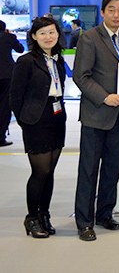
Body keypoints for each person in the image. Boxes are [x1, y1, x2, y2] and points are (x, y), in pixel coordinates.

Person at [73, 0, 119, 242]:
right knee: (88, 170)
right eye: (111, 10)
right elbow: (81, 76)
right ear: (102, 12)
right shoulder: (89, 38)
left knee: (112, 169)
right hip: (96, 114)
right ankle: (84, 221)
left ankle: (105, 214)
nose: (116, 14)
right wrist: (105, 97)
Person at [9, 17, 66, 238]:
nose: (48, 37)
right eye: (42, 33)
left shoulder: (58, 60)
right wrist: (25, 121)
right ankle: (31, 217)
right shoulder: (26, 61)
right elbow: (15, 95)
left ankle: (44, 214)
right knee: (40, 171)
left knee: (50, 172)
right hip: (36, 121)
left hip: (57, 118)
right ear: (34, 36)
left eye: (51, 32)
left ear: (58, 34)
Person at [0, 20, 24, 147]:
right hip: (7, 75)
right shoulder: (9, 37)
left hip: (6, 75)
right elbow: (20, 49)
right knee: (4, 106)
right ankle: (0, 137)